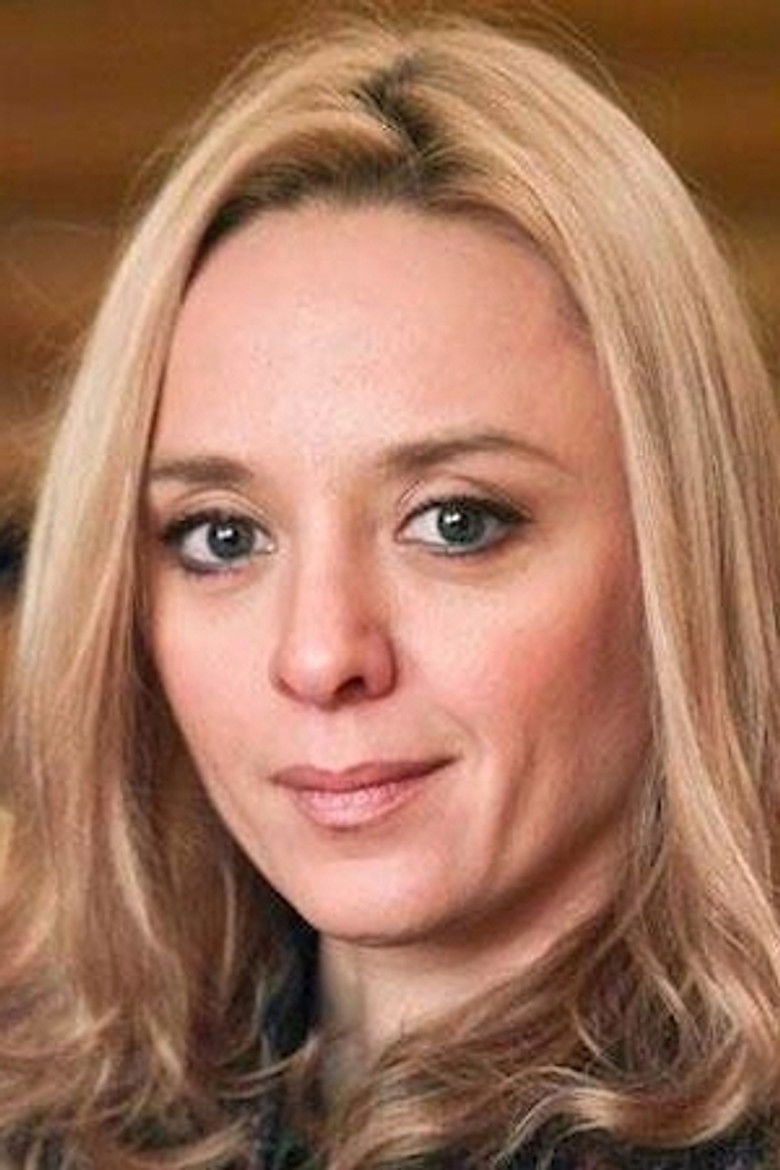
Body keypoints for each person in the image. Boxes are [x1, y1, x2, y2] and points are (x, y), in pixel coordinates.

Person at [0, 12, 778, 1170]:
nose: (320, 655)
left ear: (682, 556)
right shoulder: (50, 1113)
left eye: (456, 523)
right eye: (223, 536)